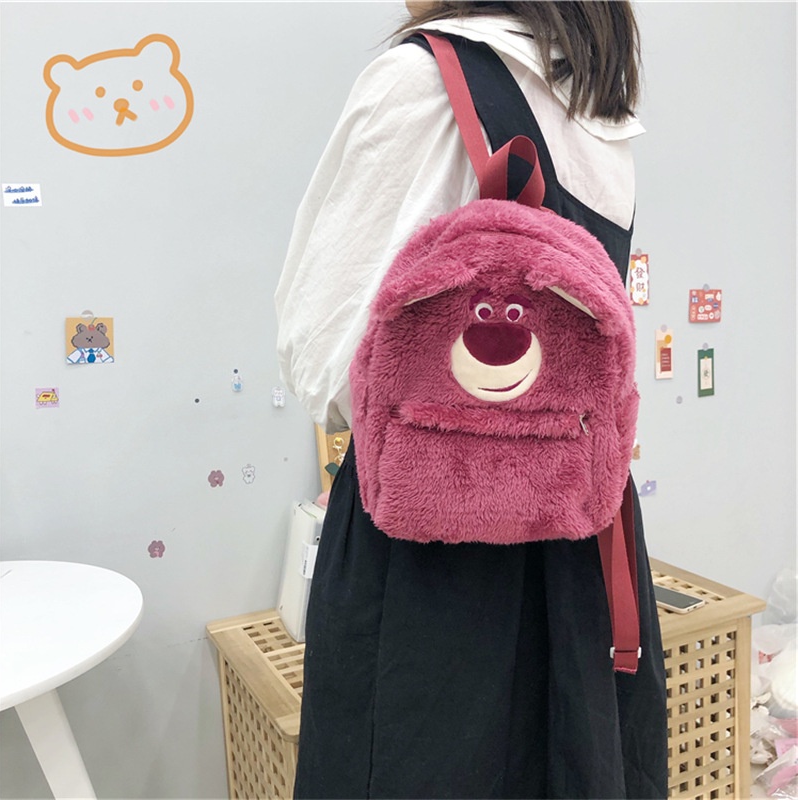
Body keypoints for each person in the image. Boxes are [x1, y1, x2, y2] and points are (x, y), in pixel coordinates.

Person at [275, 2, 668, 798]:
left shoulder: (422, 81)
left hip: (430, 555)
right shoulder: (598, 103)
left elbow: (323, 354)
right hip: (582, 539)